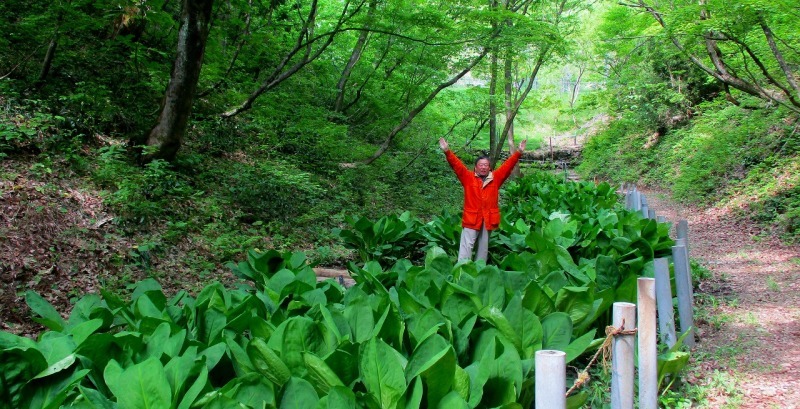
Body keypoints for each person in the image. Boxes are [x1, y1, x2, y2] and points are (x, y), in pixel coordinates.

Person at [439, 137, 526, 261]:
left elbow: (507, 166)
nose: (483, 167)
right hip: (472, 218)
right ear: (475, 167)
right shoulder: (468, 177)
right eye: (481, 165)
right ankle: (462, 272)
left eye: (486, 165)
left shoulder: (496, 178)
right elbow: (457, 165)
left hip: (487, 218)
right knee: (466, 247)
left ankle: (479, 272)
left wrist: (518, 152)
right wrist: (447, 151)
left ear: (489, 167)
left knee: (483, 249)